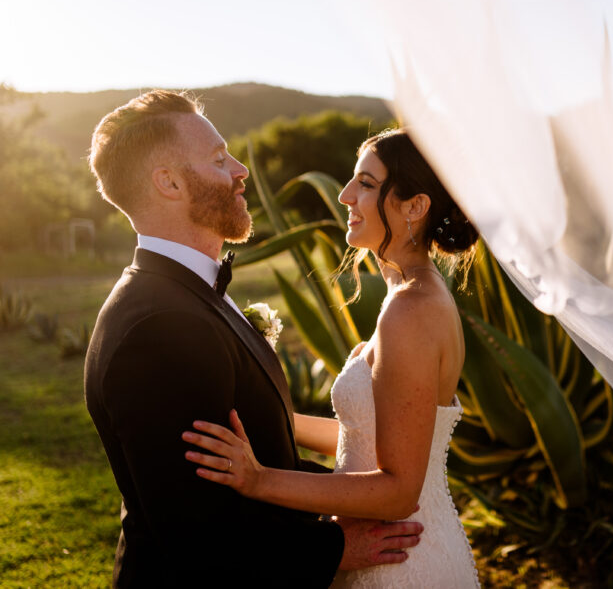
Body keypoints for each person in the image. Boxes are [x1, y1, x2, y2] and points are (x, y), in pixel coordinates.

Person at [84, 91, 422, 588]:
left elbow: (259, 453)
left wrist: (352, 494)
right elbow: (197, 531)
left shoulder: (191, 294)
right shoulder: (155, 330)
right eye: (220, 160)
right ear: (169, 183)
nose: (241, 170)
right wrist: (337, 546)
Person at [181, 128, 482, 588]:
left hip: (401, 561)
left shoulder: (412, 311)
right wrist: (264, 416)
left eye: (365, 184)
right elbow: (363, 436)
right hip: (392, 548)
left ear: (414, 207)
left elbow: (399, 490)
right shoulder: (410, 296)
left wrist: (259, 480)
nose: (344, 196)